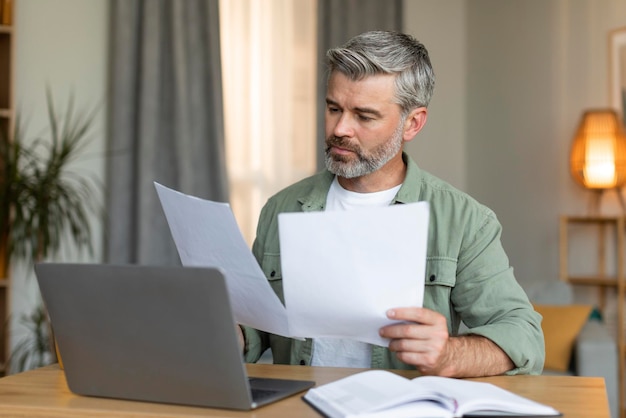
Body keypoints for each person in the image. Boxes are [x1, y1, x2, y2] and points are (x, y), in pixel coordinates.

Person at [238, 30, 544, 377]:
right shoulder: (281, 208)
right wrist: (235, 334)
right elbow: (257, 322)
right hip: (300, 407)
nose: (340, 128)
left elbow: (524, 336)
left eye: (364, 116)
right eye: (333, 108)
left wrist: (448, 354)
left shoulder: (465, 221)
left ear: (412, 123)